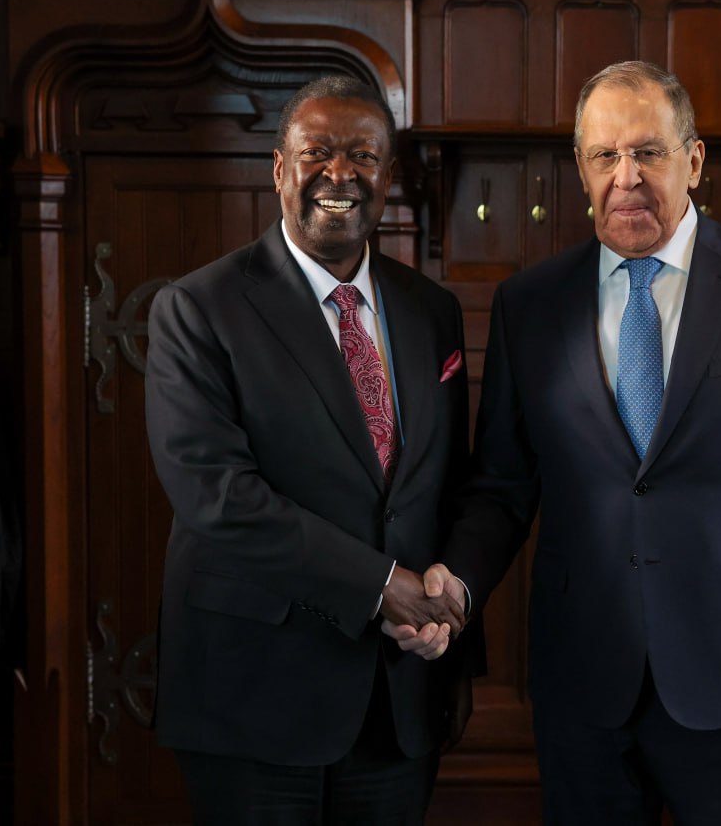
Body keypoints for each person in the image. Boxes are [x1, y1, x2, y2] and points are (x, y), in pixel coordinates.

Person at [435, 61, 721, 824]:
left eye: (648, 151)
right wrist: (457, 582)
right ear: (581, 169)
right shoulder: (529, 305)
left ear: (693, 160)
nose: (626, 176)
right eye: (604, 155)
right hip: (586, 687)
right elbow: (502, 486)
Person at [145, 74, 475, 826]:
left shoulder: (432, 311)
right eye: (316, 152)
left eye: (363, 155)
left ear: (388, 174)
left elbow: (449, 483)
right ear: (279, 169)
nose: (340, 173)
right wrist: (380, 585)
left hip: (398, 696)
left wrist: (450, 615)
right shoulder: (198, 308)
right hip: (252, 695)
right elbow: (217, 497)